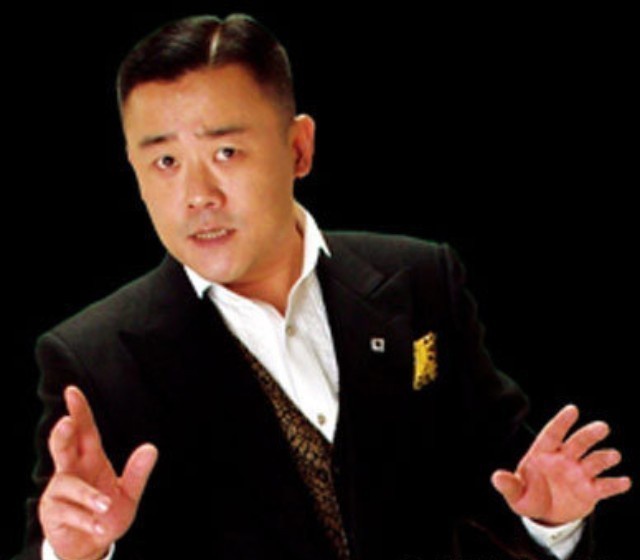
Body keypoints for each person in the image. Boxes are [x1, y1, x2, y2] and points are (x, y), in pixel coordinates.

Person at [15, 13, 631, 560]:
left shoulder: (420, 281)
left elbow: (501, 479)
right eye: (165, 162)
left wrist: (551, 520)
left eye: (226, 152)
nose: (197, 195)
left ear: (299, 148)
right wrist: (75, 553)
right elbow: (67, 532)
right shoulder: (93, 359)